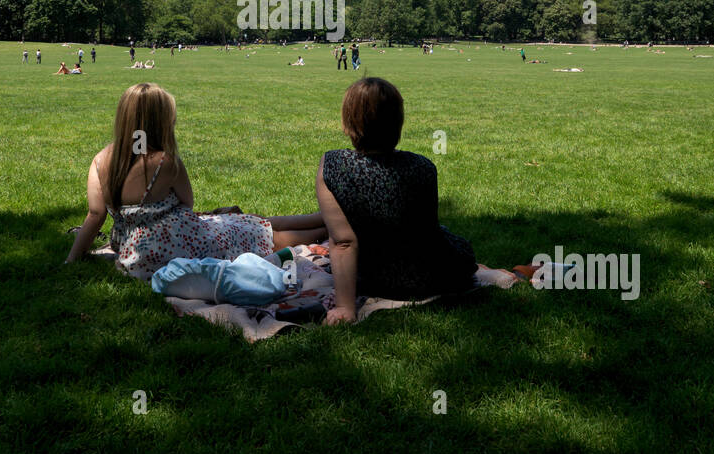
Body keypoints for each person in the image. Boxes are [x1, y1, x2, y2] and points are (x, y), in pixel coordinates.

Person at [65, 83, 326, 278]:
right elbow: (187, 204)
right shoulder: (165, 162)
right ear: (161, 122)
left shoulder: (100, 161)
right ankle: (329, 226)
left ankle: (324, 218)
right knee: (256, 232)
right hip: (178, 244)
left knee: (248, 222)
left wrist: (72, 260)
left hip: (133, 255)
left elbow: (95, 215)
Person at [316, 78, 478, 324]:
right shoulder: (423, 166)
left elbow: (343, 242)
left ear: (349, 121)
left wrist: (345, 308)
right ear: (397, 121)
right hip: (434, 276)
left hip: (372, 278)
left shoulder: (334, 166)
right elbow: (426, 231)